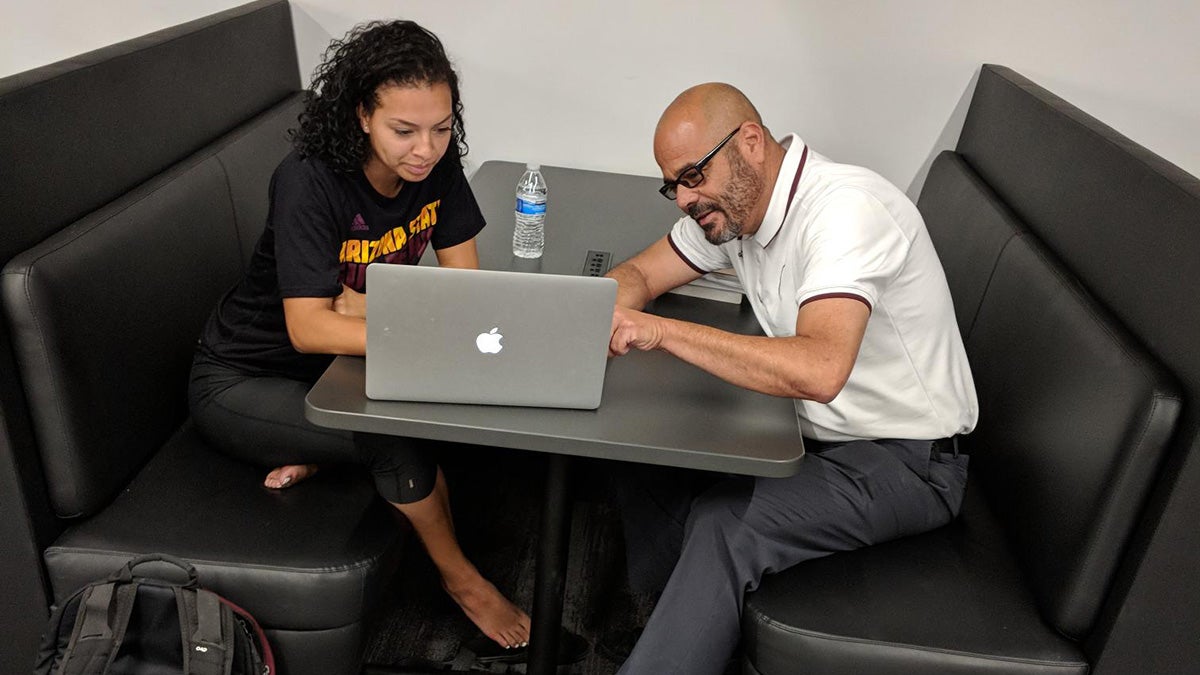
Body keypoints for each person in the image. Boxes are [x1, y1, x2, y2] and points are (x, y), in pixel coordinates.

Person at [604, 83, 978, 674]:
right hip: (814, 434)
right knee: (641, 447)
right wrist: (608, 318)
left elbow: (820, 369)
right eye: (673, 185)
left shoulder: (844, 212)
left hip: (908, 460)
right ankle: (669, 633)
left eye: (693, 175)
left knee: (726, 526)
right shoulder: (733, 213)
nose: (683, 198)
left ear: (750, 142)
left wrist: (659, 333)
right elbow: (639, 274)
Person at [187, 20, 530, 650]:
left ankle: (314, 448)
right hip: (243, 378)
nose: (425, 148)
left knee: (467, 408)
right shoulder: (309, 181)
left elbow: (465, 294)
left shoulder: (437, 166)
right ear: (360, 117)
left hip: (337, 368)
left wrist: (366, 309)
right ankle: (464, 584)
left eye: (441, 126)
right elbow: (308, 328)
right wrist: (376, 319)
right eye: (404, 130)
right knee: (396, 439)